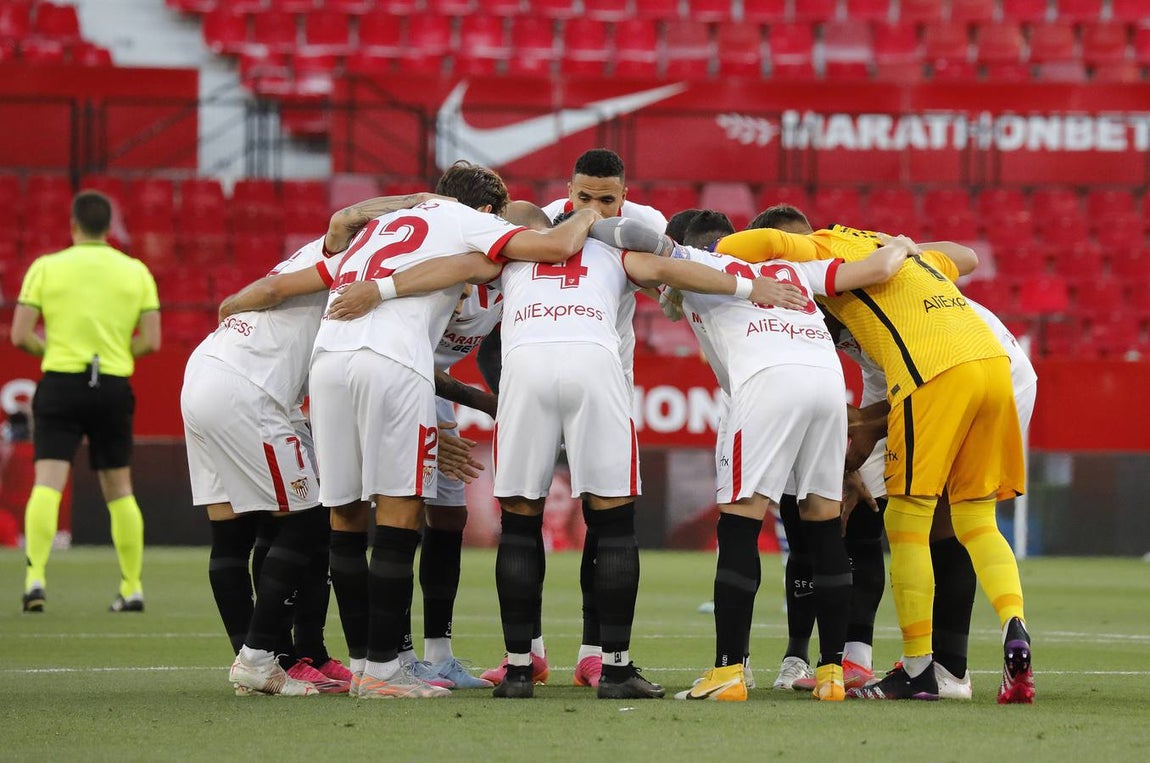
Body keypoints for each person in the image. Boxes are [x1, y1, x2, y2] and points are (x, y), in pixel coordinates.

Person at [360, 201, 805, 701]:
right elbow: (667, 267)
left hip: (525, 367)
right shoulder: (615, 251)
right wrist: (750, 286)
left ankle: (519, 671)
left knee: (521, 521)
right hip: (595, 363)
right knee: (613, 521)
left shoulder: (510, 254)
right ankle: (614, 669)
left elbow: (453, 267)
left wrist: (378, 288)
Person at [715, 208, 1035, 704]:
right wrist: (850, 464)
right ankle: (1007, 629)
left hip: (936, 374)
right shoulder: (895, 253)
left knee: (909, 520)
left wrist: (748, 258)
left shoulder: (823, 256)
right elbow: (966, 256)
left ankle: (919, 670)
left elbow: (736, 250)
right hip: (998, 368)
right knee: (974, 519)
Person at [310, 162, 600, 700]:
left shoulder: (485, 264)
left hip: (361, 364)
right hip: (400, 371)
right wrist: (588, 212)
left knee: (437, 513)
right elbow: (553, 247)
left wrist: (490, 404)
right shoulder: (470, 245)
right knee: (398, 509)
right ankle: (386, 660)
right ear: (490, 217)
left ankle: (430, 655)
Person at [186, 193, 436, 696]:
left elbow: (287, 274)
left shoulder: (315, 253)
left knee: (232, 533)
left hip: (204, 373)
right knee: (304, 519)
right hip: (249, 388)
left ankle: (263, 663)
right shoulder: (344, 260)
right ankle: (260, 661)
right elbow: (287, 278)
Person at [666, 212, 916, 702]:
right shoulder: (796, 268)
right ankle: (830, 674)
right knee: (823, 521)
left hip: (766, 383)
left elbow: (644, 259)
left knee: (740, 520)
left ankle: (728, 672)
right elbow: (877, 269)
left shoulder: (702, 263)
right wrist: (902, 243)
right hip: (827, 385)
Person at [539, 148, 669, 688]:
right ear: (568, 189)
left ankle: (595, 652)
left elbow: (664, 274)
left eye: (606, 199)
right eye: (583, 197)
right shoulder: (546, 219)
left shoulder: (647, 224)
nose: (592, 206)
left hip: (609, 376)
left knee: (604, 513)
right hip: (539, 369)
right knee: (521, 513)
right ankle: (525, 652)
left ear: (625, 193)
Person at [11, 190, 161, 614]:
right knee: (119, 489)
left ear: (74, 225)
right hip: (112, 385)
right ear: (109, 227)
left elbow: (20, 334)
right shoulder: (136, 272)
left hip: (60, 382)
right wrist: (116, 355)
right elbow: (151, 340)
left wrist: (55, 354)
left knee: (47, 483)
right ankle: (132, 587)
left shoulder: (46, 267)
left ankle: (34, 579)